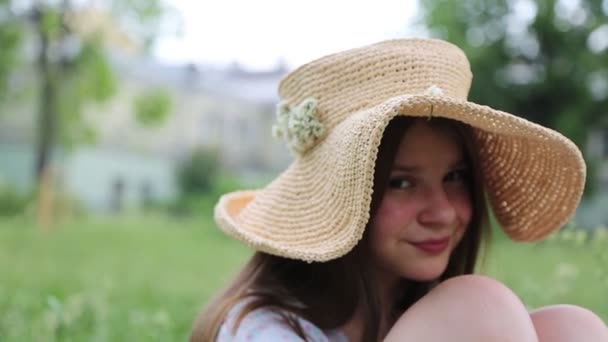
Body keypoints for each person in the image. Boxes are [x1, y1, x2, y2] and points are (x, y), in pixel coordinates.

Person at [190, 38, 608, 341]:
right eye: (402, 183)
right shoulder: (267, 330)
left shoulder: (418, 315)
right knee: (479, 304)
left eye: (455, 177)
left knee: (574, 330)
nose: (442, 213)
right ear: (338, 199)